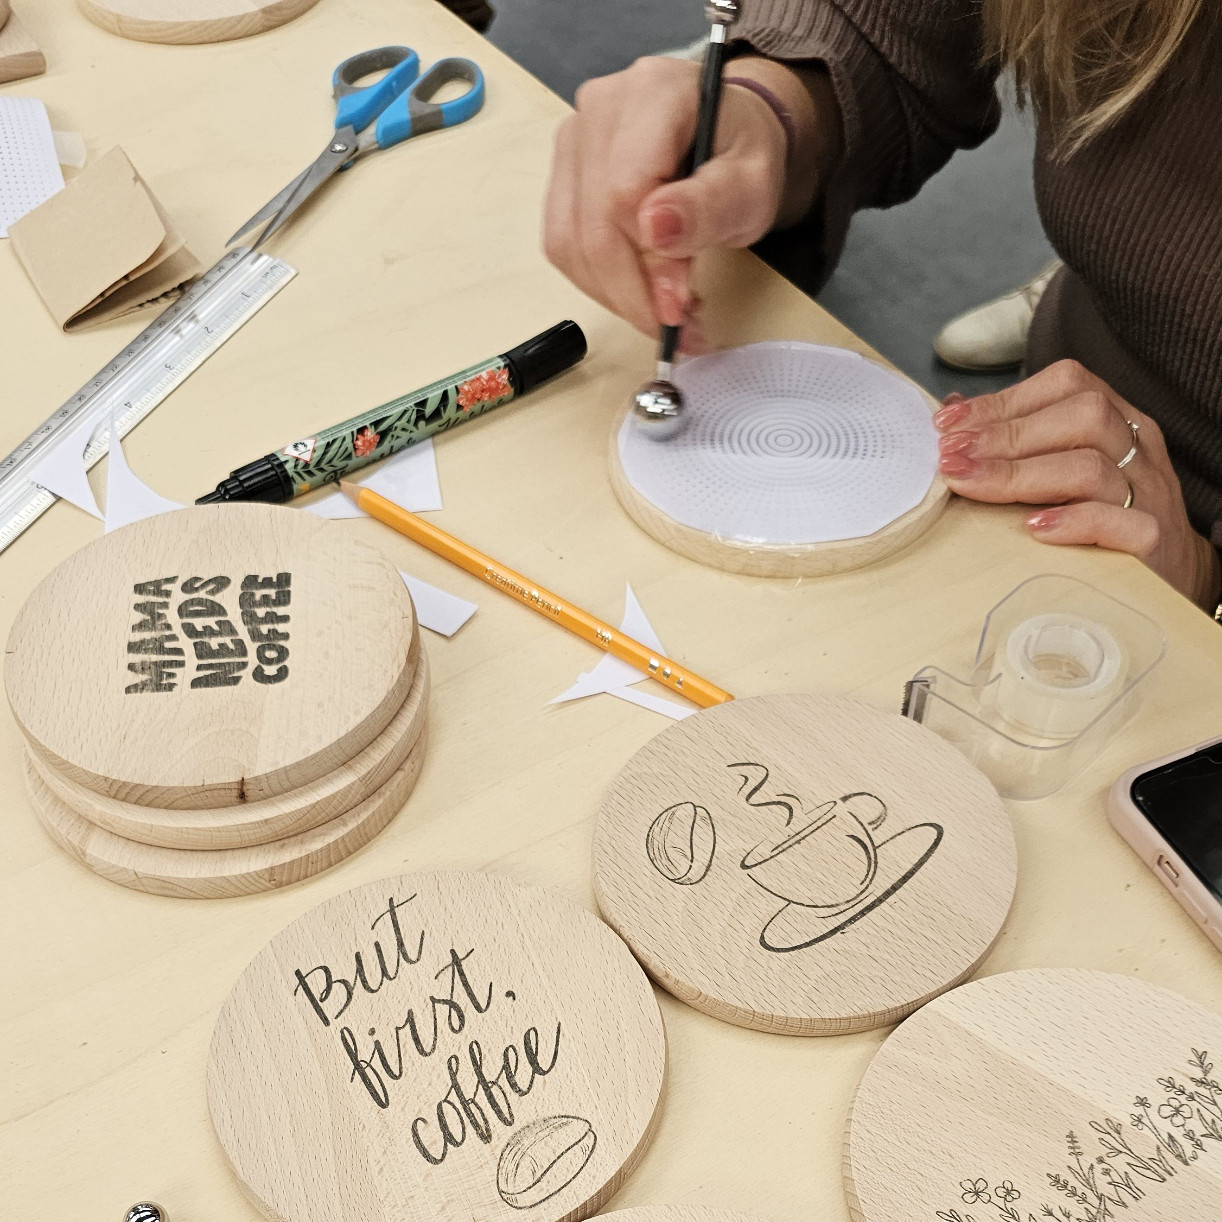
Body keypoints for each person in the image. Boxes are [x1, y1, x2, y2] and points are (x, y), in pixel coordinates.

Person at [542, 1, 1222, 615]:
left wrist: (1204, 580)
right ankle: (1114, 292)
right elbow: (890, 26)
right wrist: (772, 108)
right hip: (1073, 441)